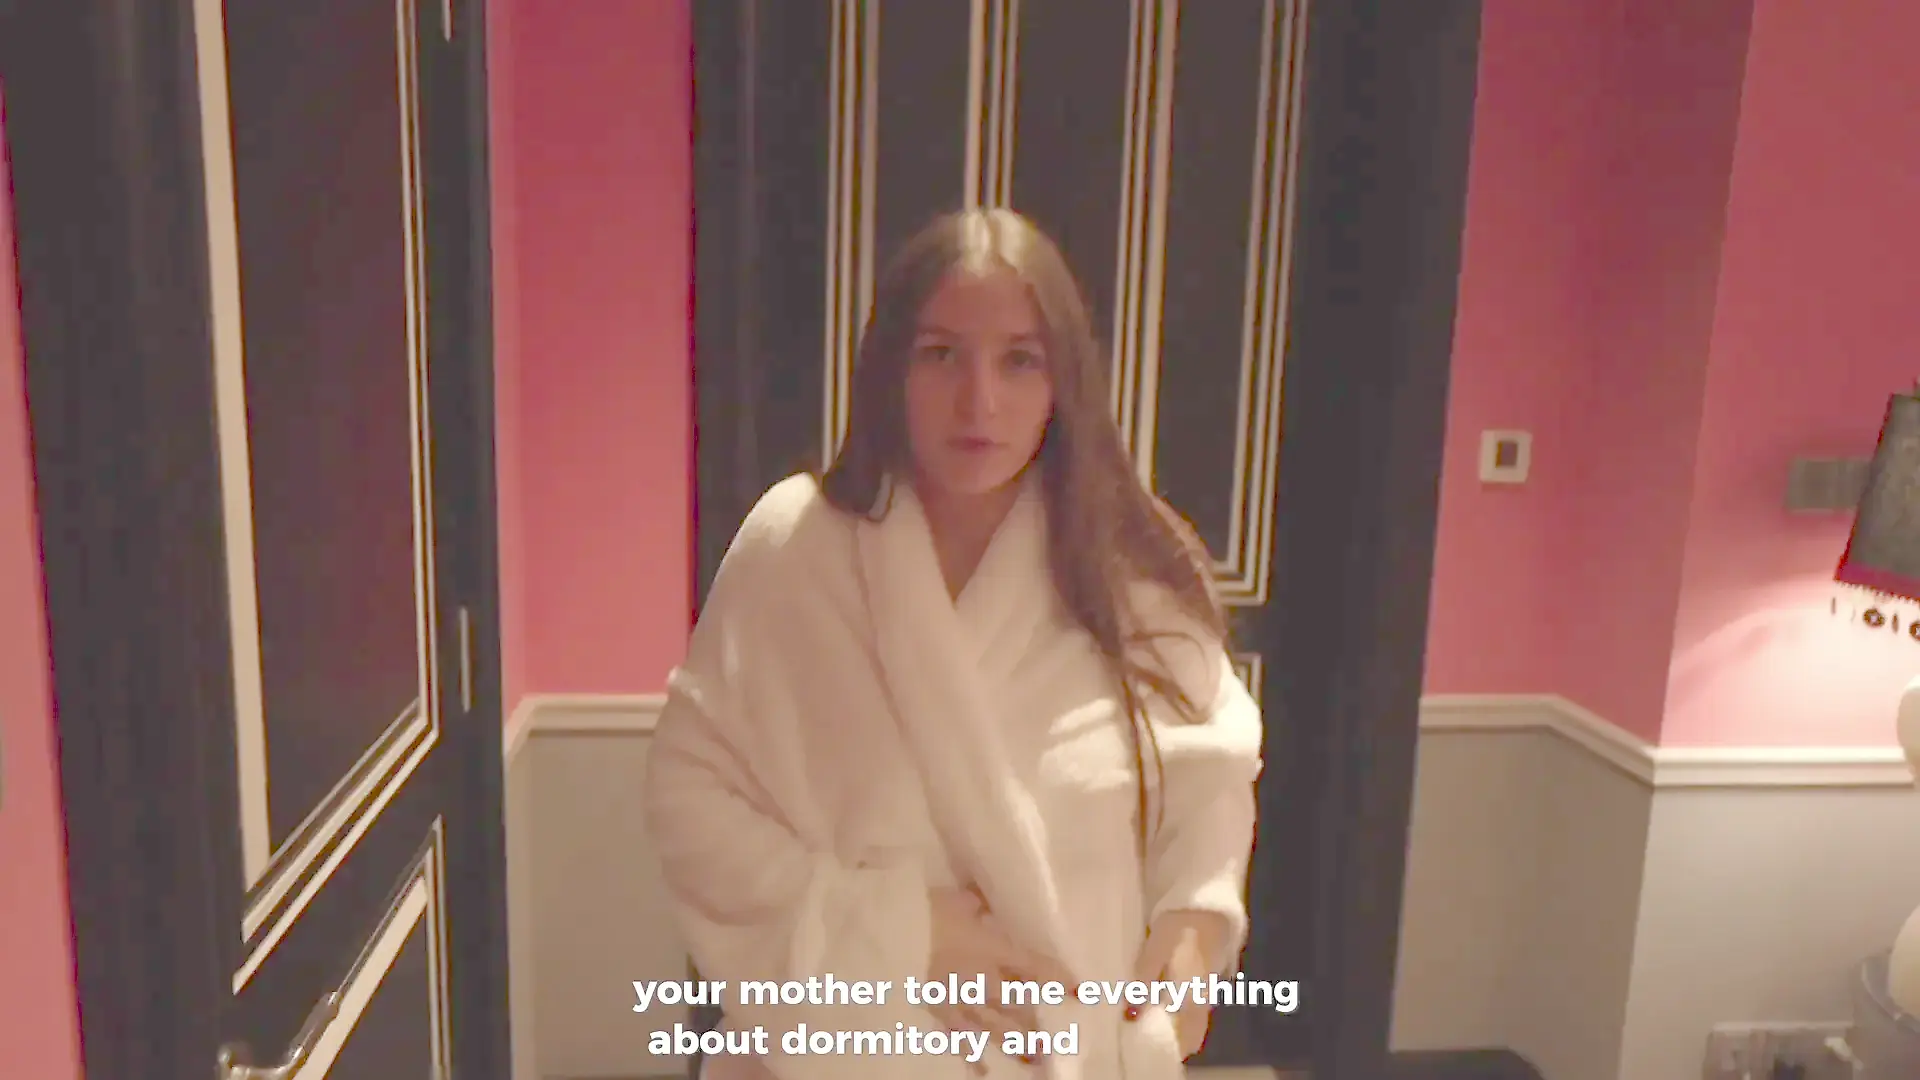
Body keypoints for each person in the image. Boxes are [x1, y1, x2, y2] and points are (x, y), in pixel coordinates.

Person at [643, 208, 1263, 1080]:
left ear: (1064, 377)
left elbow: (1211, 776)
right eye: (941, 355)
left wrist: (1194, 924)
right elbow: (689, 798)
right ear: (890, 367)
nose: (981, 401)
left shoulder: (1131, 561)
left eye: (1020, 360)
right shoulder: (795, 549)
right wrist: (899, 930)